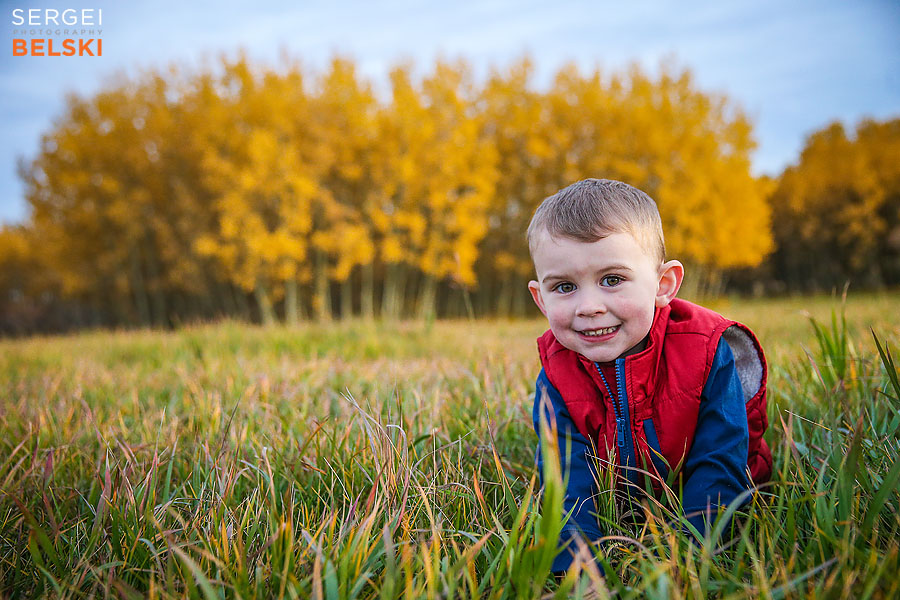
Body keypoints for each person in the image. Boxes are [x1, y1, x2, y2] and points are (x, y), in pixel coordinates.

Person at [527, 178, 772, 572]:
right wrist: (578, 568)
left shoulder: (707, 352)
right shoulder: (557, 374)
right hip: (622, 508)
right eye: (565, 286)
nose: (589, 306)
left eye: (612, 280)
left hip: (712, 499)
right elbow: (566, 479)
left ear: (663, 285)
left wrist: (691, 560)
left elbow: (721, 461)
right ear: (541, 299)